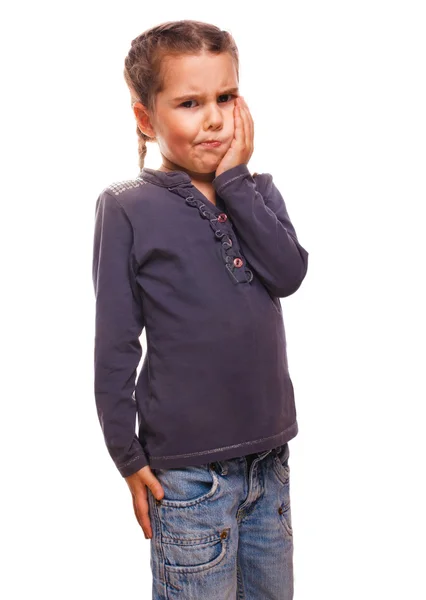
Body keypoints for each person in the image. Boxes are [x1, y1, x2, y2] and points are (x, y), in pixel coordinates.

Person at [92, 19, 309, 600]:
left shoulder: (257, 191)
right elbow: (115, 342)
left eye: (226, 97)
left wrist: (235, 181)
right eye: (190, 103)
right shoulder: (127, 207)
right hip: (188, 479)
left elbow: (288, 273)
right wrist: (125, 453)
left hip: (270, 463)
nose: (214, 118)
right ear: (146, 118)